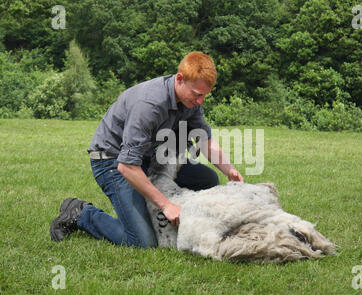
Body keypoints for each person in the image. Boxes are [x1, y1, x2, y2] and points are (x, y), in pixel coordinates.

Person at [49, 51, 244, 248]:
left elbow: (204, 139)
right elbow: (127, 167)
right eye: (197, 95)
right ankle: (81, 213)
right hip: (111, 161)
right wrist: (166, 206)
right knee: (142, 241)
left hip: (145, 158)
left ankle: (188, 224)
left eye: (204, 96)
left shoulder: (189, 101)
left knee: (207, 179)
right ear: (180, 79)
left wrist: (229, 170)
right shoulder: (149, 104)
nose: (200, 101)